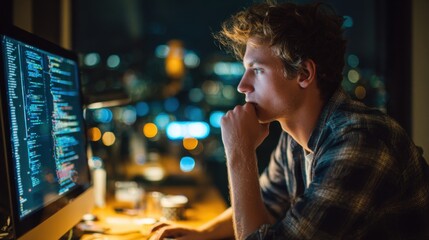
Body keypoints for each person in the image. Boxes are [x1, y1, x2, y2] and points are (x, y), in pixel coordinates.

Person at [150, 1, 429, 239]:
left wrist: (239, 151)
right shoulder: (295, 137)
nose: (242, 86)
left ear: (304, 74)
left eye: (257, 70)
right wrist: (204, 233)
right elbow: (269, 204)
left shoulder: (361, 143)